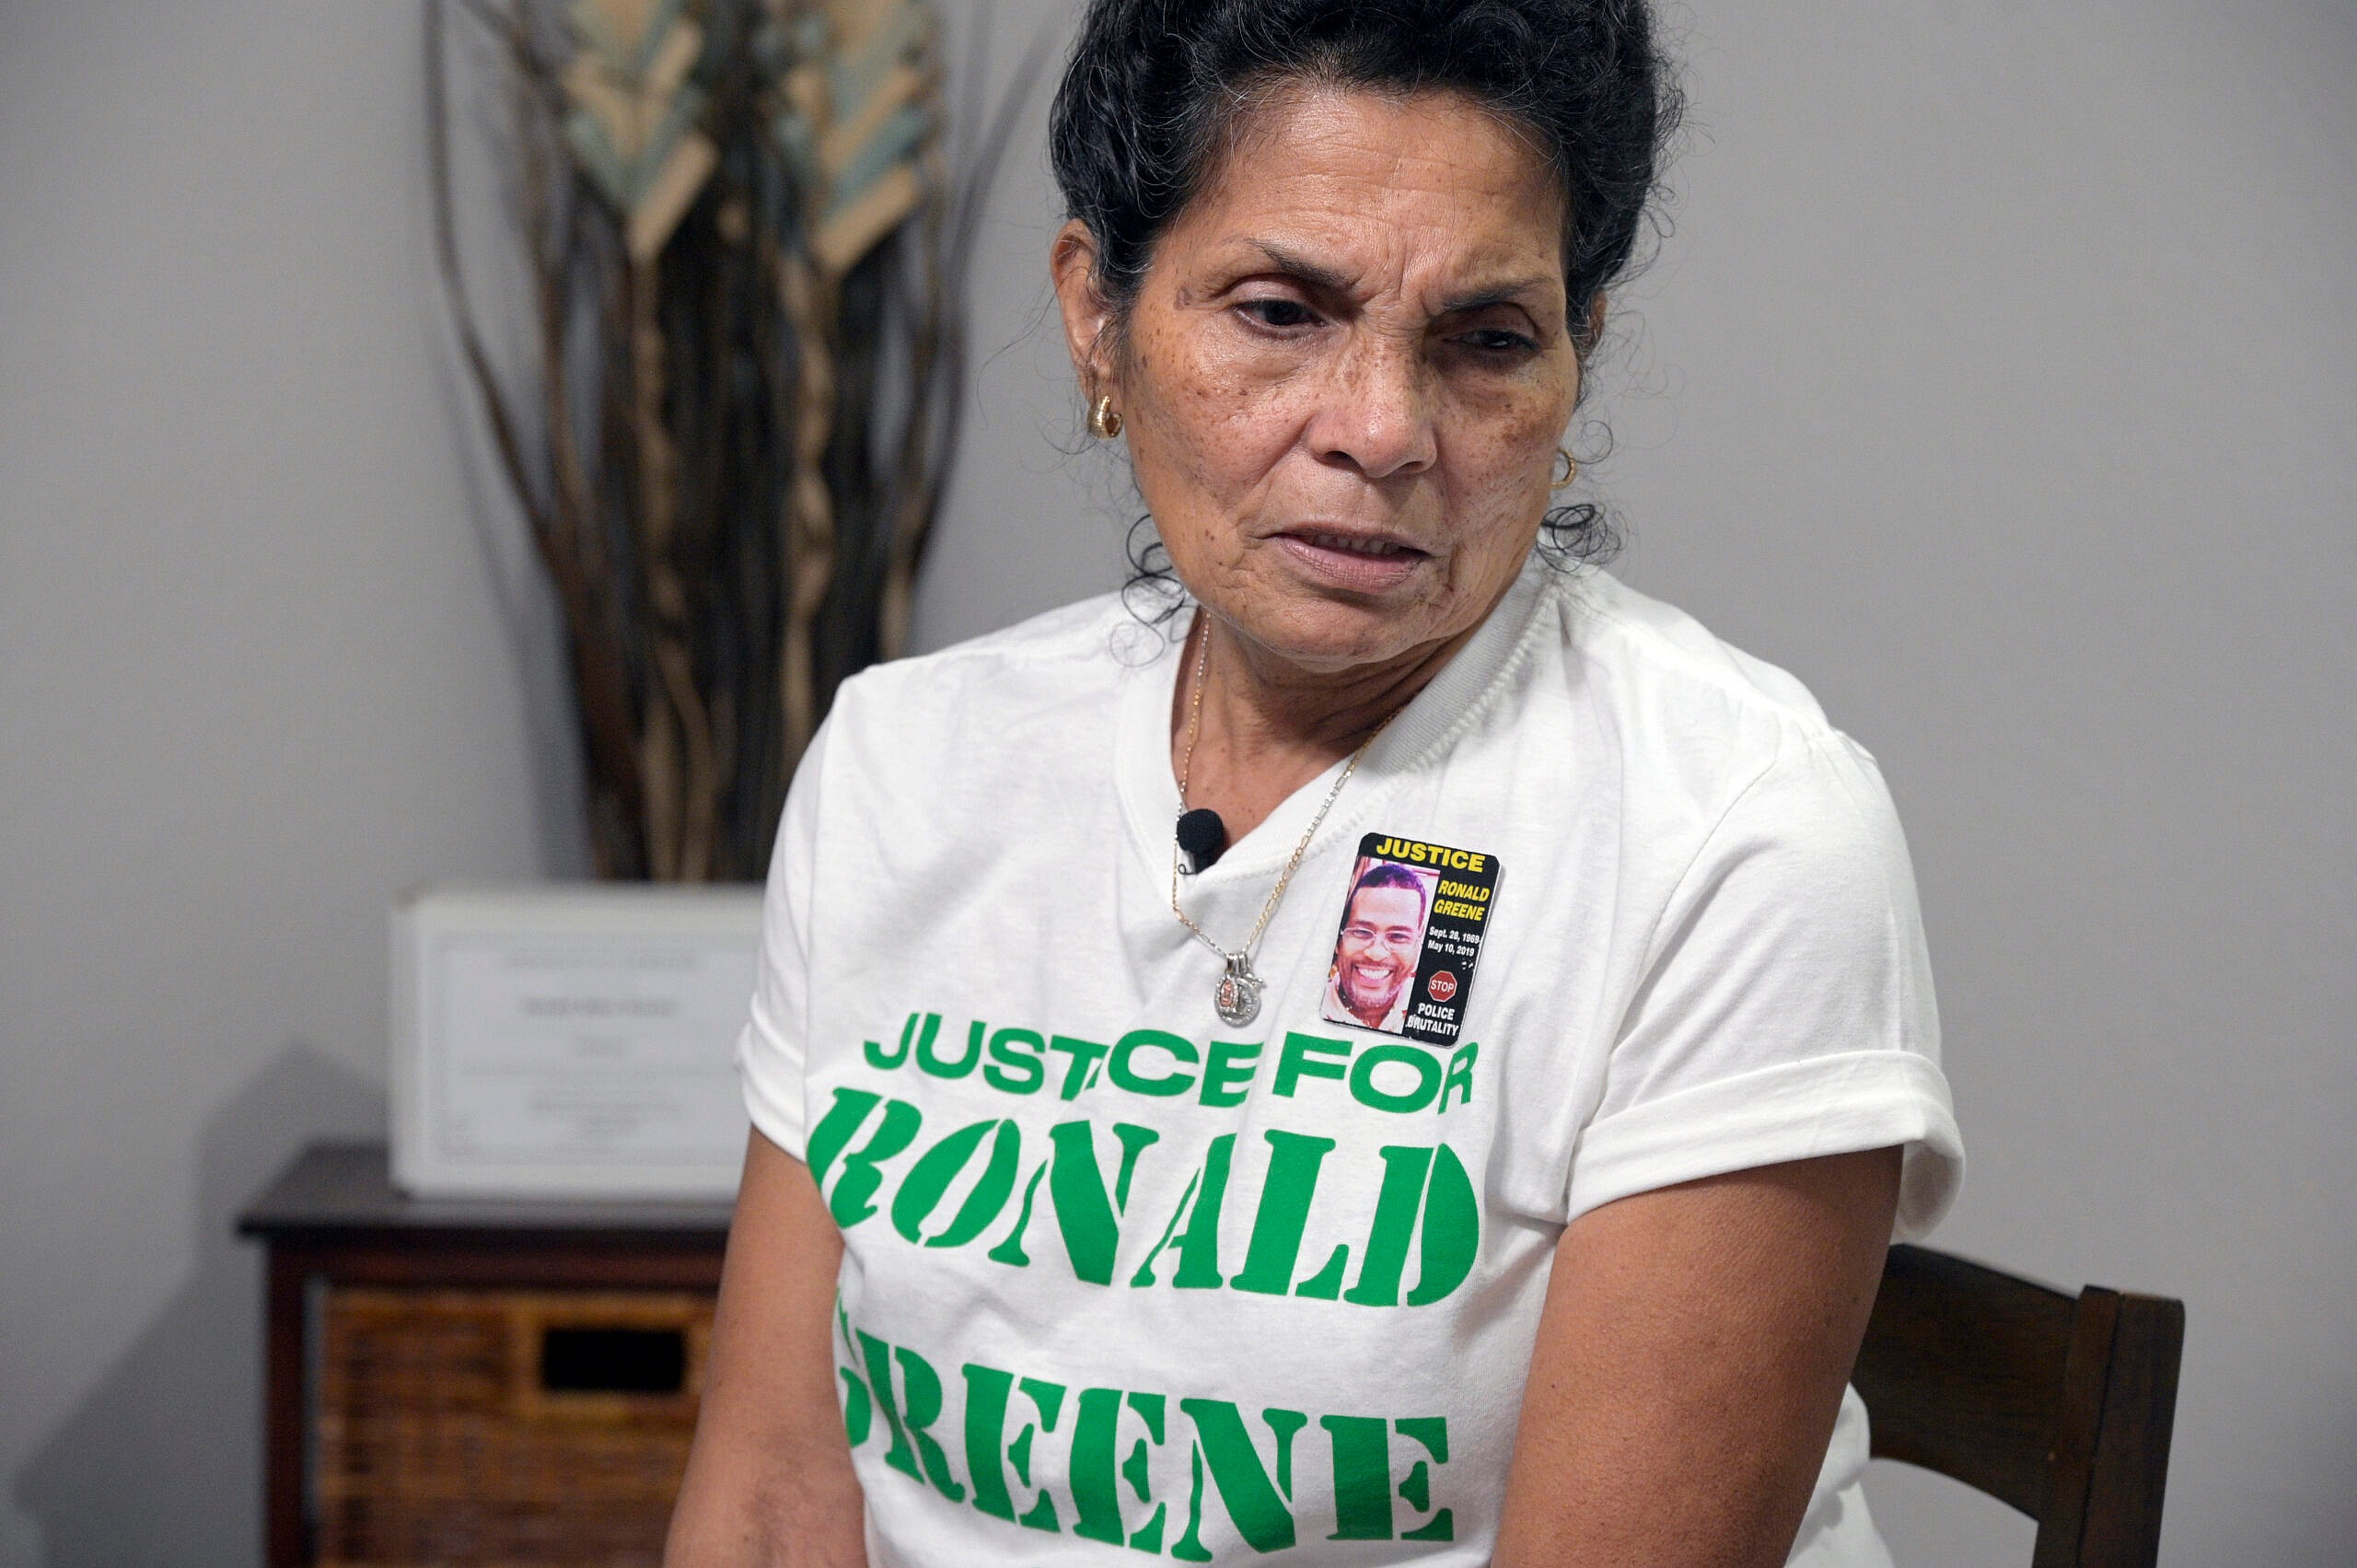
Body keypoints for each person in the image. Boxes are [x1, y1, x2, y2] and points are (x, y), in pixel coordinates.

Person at [667, 2, 1963, 1564]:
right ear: (1098, 313)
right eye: (1281, 310)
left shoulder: (1735, 832)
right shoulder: (906, 763)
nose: (1383, 430)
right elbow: (770, 1501)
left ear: (1577, 352)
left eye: (1487, 340)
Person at [1322, 861, 1431, 1034]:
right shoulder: (1305, 1003)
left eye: (1398, 936)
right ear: (1338, 938)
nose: (1376, 953)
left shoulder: (1433, 1012)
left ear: (1420, 940)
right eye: (1362, 932)